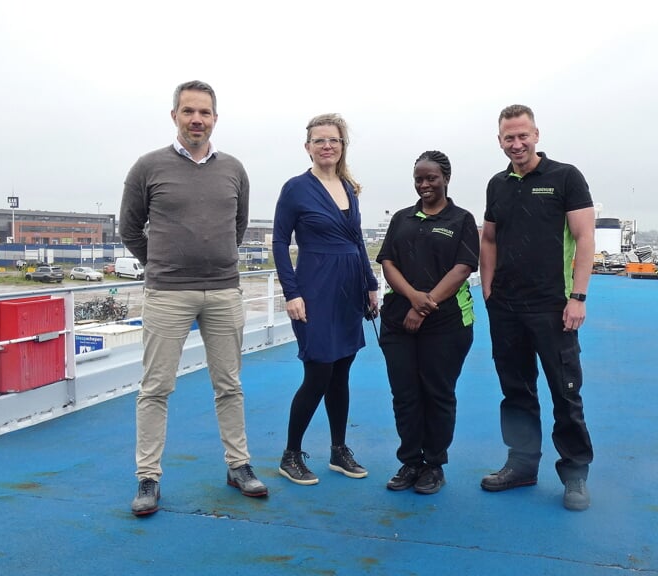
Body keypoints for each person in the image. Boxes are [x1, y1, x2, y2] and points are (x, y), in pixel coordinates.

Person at [120, 80, 267, 517]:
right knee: (156, 388)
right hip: (167, 293)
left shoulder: (234, 169)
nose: (196, 120)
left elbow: (237, 228)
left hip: (223, 290)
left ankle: (238, 465)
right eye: (188, 112)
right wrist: (164, 263)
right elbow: (129, 229)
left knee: (229, 385)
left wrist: (212, 263)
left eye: (204, 113)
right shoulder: (148, 167)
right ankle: (148, 478)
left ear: (215, 119)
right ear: (175, 116)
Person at [479, 104, 595, 511]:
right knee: (516, 391)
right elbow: (489, 239)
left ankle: (575, 473)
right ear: (499, 141)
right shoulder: (497, 185)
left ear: (536, 135)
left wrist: (577, 297)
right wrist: (489, 289)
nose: (516, 144)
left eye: (522, 135)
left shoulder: (565, 177)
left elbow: (584, 238)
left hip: (553, 306)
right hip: (507, 307)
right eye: (508, 138)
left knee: (565, 392)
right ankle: (522, 464)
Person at [272, 113, 379, 486]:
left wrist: (370, 285)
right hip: (314, 289)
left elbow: (357, 242)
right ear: (308, 147)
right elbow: (279, 243)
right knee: (318, 371)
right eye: (319, 140)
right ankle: (291, 454)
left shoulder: (349, 188)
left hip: (349, 289)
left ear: (342, 146)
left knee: (342, 372)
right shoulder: (296, 188)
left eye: (333, 140)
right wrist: (292, 293)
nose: (326, 146)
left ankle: (338, 449)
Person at [376, 151, 479, 495]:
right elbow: (388, 261)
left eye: (431, 178)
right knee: (405, 394)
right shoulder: (402, 219)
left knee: (437, 393)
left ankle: (434, 464)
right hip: (397, 321)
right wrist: (413, 298)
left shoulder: (461, 220)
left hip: (446, 324)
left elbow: (462, 268)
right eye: (418, 178)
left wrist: (423, 307)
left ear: (446, 178)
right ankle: (410, 461)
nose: (424, 185)